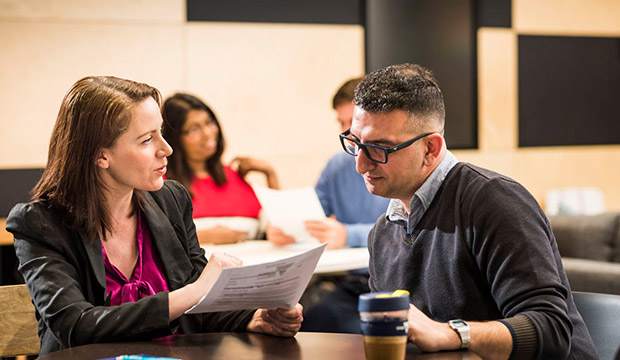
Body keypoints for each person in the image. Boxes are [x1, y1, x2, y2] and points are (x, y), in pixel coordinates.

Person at [5, 76, 302, 355]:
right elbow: (76, 326)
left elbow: (201, 308)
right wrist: (193, 291)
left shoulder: (171, 200)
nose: (167, 149)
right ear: (101, 155)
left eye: (161, 133)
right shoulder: (39, 223)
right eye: (147, 139)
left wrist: (254, 318)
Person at [344, 63, 596, 359]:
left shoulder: (495, 201)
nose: (361, 164)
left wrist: (451, 333)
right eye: (356, 143)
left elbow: (550, 331)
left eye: (379, 148)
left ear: (430, 149)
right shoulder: (383, 232)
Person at [267, 78, 389, 333]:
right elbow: (311, 211)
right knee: (309, 321)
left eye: (353, 122)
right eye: (342, 124)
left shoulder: (394, 160)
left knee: (354, 330)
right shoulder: (338, 165)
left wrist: (347, 235)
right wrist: (284, 226)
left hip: (394, 280)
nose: (348, 133)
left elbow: (408, 227)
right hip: (354, 281)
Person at [162, 93, 279, 244]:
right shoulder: (163, 187)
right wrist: (207, 236)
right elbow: (159, 241)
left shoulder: (234, 176)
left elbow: (278, 229)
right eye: (194, 129)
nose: (207, 133)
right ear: (175, 138)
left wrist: (270, 174)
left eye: (209, 123)